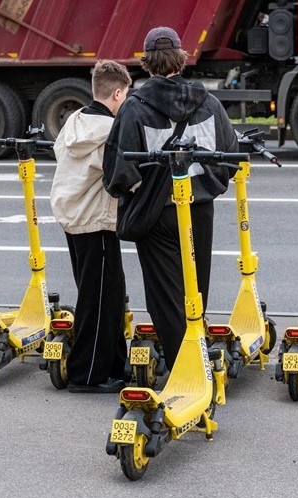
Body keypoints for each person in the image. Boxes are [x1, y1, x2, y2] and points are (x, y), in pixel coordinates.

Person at [103, 26, 238, 372]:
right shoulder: (209, 104)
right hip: (199, 209)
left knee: (166, 295)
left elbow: (118, 172)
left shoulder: (135, 108)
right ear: (181, 58)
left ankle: (185, 367)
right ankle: (198, 355)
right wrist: (207, 185)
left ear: (147, 62)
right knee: (196, 287)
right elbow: (229, 158)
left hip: (156, 212)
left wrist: (142, 188)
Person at [50, 60, 132, 393]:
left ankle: (114, 365)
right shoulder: (111, 131)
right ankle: (86, 375)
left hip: (73, 216)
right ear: (117, 93)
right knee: (98, 303)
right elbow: (121, 174)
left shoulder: (75, 121)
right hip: (95, 220)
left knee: (107, 296)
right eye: (126, 95)